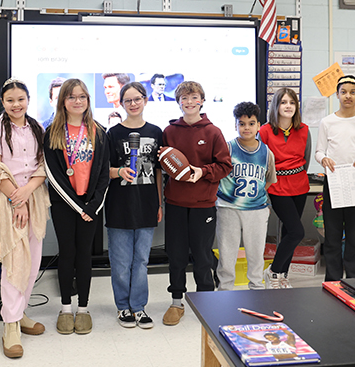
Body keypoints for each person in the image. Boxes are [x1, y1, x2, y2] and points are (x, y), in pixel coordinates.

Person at [0, 78, 50, 358]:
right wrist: (16, 198)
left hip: (34, 197)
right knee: (14, 260)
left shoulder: (38, 127)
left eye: (20, 99)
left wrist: (27, 192)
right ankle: (10, 325)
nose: (16, 105)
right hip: (9, 198)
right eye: (10, 100)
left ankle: (20, 313)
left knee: (33, 260)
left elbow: (44, 165)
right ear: (3, 102)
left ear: (28, 100)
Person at [162, 81, 232, 326]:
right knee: (176, 255)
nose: (189, 102)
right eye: (184, 98)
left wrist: (202, 172)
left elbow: (225, 166)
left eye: (194, 97)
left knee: (202, 256)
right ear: (178, 102)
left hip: (203, 204)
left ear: (202, 101)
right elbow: (165, 164)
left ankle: (206, 302)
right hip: (175, 203)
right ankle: (176, 302)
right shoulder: (169, 131)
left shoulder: (213, 132)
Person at [44, 78, 110, 335]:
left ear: (88, 101)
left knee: (84, 255)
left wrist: (92, 206)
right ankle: (65, 309)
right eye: (71, 96)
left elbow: (103, 173)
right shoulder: (52, 132)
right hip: (64, 204)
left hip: (90, 206)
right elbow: (53, 174)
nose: (77, 101)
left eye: (82, 96)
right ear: (63, 101)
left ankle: (83, 309)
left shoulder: (99, 132)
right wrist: (77, 206)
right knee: (67, 253)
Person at [105, 82, 163, 329]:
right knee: (120, 263)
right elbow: (103, 170)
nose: (133, 104)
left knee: (141, 261)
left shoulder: (156, 132)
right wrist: (119, 171)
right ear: (121, 104)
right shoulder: (112, 133)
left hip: (147, 204)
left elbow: (159, 171)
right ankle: (123, 307)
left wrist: (159, 203)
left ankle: (138, 307)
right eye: (127, 100)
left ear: (145, 100)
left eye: (137, 99)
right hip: (119, 205)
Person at [315, 75, 355, 282]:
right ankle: (333, 281)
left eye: (352, 92)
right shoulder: (327, 122)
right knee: (332, 236)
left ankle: (354, 280)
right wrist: (323, 159)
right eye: (343, 92)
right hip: (333, 183)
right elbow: (319, 151)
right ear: (337, 95)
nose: (348, 96)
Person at [215, 102, 276, 290]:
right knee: (227, 254)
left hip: (256, 210)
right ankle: (225, 290)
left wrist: (255, 198)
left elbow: (268, 180)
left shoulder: (266, 153)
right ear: (235, 125)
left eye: (251, 123)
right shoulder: (227, 148)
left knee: (256, 254)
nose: (246, 128)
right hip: (228, 208)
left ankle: (256, 289)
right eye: (241, 124)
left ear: (259, 126)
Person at [259, 88, 311, 289]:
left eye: (292, 102)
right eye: (283, 102)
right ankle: (273, 271)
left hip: (300, 185)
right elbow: (261, 162)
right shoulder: (264, 131)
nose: (288, 106)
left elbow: (306, 158)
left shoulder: (304, 129)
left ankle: (282, 275)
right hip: (277, 186)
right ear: (276, 106)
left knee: (290, 232)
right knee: (297, 232)